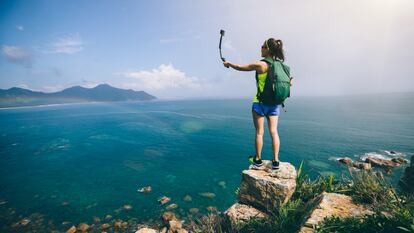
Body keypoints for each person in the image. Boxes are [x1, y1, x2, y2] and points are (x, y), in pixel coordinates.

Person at [223, 38, 288, 170]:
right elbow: (289, 82)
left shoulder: (261, 65)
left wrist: (229, 63)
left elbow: (240, 67)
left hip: (260, 103)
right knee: (274, 132)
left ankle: (257, 159)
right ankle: (275, 161)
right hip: (275, 104)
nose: (261, 48)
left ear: (267, 49)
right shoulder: (283, 67)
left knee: (259, 132)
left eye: (262, 46)